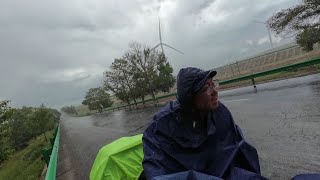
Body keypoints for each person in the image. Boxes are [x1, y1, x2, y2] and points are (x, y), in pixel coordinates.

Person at [142, 67, 266, 179]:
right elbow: (156, 171)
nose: (215, 91)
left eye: (214, 84)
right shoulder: (161, 126)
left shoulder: (219, 112)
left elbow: (238, 149)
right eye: (207, 87)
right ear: (190, 97)